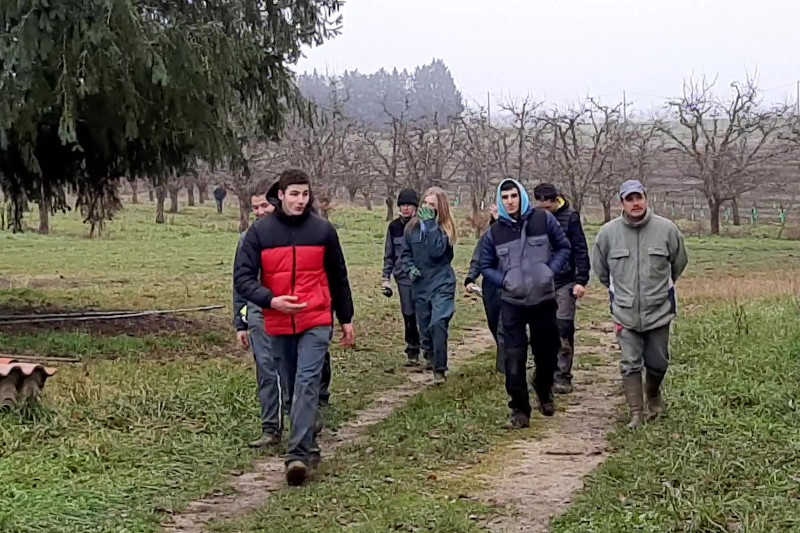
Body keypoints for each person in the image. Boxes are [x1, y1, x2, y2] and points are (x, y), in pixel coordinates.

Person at [234, 168, 355, 486]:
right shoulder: (259, 233)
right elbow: (243, 280)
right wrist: (271, 301)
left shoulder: (323, 231)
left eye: (305, 194)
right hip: (277, 321)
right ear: (281, 195)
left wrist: (347, 319)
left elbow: (338, 277)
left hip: (315, 318)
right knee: (290, 386)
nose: (300, 200)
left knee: (306, 382)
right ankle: (309, 439)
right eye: (294, 194)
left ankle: (296, 455)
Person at [592, 179, 688, 429]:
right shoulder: (607, 234)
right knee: (630, 363)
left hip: (659, 310)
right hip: (624, 311)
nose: (635, 203)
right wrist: (620, 293)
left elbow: (678, 263)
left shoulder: (667, 230)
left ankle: (653, 394)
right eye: (629, 199)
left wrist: (659, 289)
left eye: (639, 197)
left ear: (646, 198)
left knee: (658, 363)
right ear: (621, 203)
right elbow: (602, 271)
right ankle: (636, 413)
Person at [479, 178, 571, 429]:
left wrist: (549, 272)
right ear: (500, 200)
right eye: (505, 197)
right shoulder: (495, 233)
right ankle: (520, 410)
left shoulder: (544, 220)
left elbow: (564, 247)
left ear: (522, 197)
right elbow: (485, 265)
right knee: (513, 358)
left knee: (547, 352)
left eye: (513, 196)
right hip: (512, 302)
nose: (510, 201)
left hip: (543, 299)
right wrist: (505, 280)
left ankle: (543, 389)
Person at [232, 179, 282, 449]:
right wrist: (240, 323)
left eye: (264, 205)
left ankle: (301, 422)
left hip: (288, 309)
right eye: (255, 208)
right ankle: (270, 428)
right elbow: (239, 283)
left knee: (290, 368)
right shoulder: (246, 240)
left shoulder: (291, 235)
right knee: (265, 368)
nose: (260, 212)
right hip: (257, 312)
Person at [532, 183, 591, 394]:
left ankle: (563, 375)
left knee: (563, 327)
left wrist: (581, 280)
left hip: (565, 280)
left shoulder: (570, 217)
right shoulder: (533, 218)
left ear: (556, 201)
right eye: (542, 209)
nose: (545, 212)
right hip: (539, 281)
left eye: (549, 208)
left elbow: (580, 249)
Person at [400, 186, 458, 384]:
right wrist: (409, 268)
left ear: (439, 208)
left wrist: (431, 225)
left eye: (432, 205)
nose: (426, 207)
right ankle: (431, 356)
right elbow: (405, 253)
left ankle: (440, 369)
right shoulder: (411, 229)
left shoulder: (445, 230)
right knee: (424, 328)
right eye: (425, 203)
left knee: (438, 323)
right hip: (420, 284)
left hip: (442, 283)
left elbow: (436, 252)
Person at [381, 188, 422, 366]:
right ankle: (412, 349)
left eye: (409, 205)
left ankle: (428, 349)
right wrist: (385, 278)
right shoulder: (394, 227)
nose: (405, 208)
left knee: (423, 313)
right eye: (403, 205)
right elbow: (388, 254)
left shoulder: (423, 225)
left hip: (422, 277)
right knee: (408, 314)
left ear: (415, 207)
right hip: (402, 277)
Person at [464, 205, 505, 373]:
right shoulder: (489, 235)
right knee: (494, 325)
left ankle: (504, 370)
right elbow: (479, 257)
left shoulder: (520, 232)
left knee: (506, 327)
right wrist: (470, 278)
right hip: (490, 288)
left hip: (512, 286)